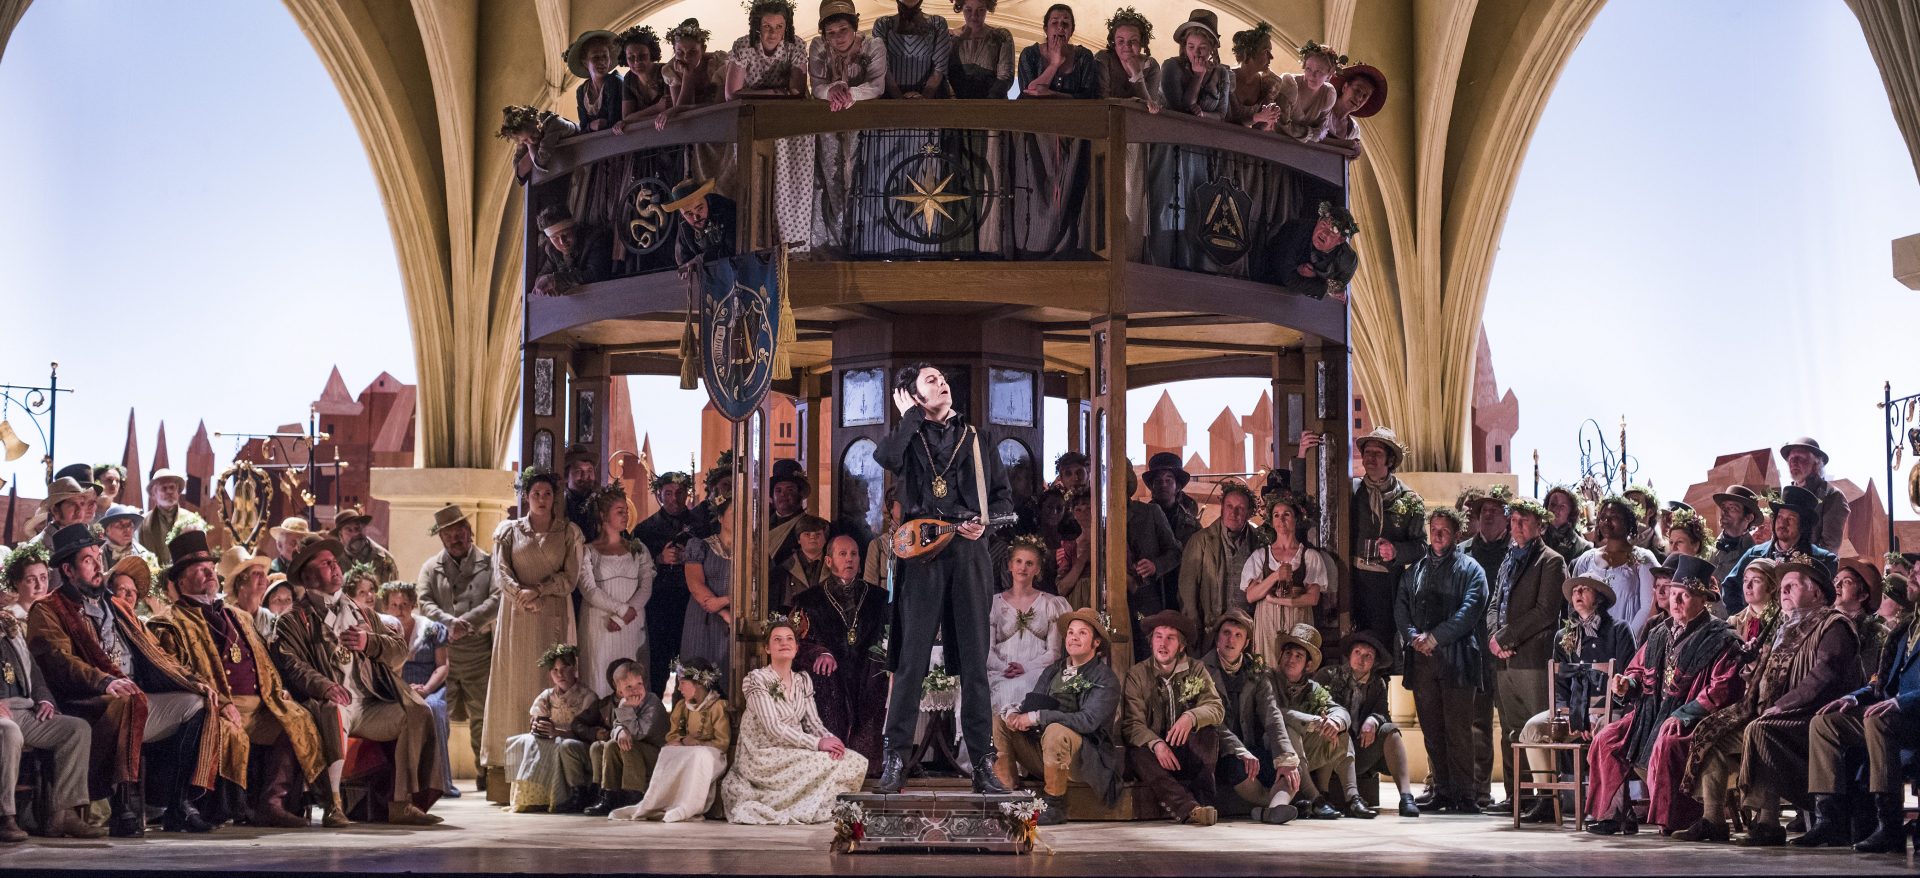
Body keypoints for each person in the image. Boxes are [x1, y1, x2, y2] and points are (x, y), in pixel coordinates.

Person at [871, 363, 1014, 794]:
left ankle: (983, 764)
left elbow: (1004, 500)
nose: (943, 384)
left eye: (943, 379)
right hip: (921, 554)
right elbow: (886, 458)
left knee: (974, 664)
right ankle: (895, 759)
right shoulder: (910, 438)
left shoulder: (977, 438)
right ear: (914, 396)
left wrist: (983, 525)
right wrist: (909, 418)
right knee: (910, 661)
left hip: (968, 554)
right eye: (931, 381)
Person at [27, 524, 216, 836]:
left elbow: (155, 652)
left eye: (98, 557)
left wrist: (193, 681)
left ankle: (177, 804)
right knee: (127, 702)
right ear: (68, 570)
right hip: (87, 701)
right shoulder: (48, 609)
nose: (97, 565)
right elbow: (58, 661)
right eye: (87, 560)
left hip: (133, 693)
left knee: (197, 704)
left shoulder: (115, 605)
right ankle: (123, 806)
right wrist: (104, 681)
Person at [1675, 555, 1860, 845]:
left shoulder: (1834, 625)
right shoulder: (1784, 628)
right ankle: (1713, 819)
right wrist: (1752, 670)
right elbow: (1768, 677)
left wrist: (1780, 707)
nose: (1783, 591)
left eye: (1792, 586)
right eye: (1782, 586)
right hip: (1770, 714)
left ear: (1816, 592)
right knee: (1712, 731)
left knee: (1761, 731)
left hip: (1809, 717)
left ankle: (1768, 823)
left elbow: (1824, 677)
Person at [148, 531, 325, 828]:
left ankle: (272, 803)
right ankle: (232, 807)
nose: (209, 574)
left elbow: (263, 659)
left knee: (297, 719)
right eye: (200, 570)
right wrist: (221, 702)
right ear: (181, 582)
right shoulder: (169, 623)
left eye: (210, 568)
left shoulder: (238, 616)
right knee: (232, 733)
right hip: (217, 706)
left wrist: (278, 689)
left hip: (260, 704)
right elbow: (175, 672)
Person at [272, 534, 444, 825]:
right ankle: (333, 805)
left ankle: (401, 803)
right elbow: (291, 664)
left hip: (368, 702)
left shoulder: (361, 612)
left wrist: (369, 642)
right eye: (326, 564)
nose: (335, 567)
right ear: (308, 576)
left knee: (417, 711)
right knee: (335, 712)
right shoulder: (293, 620)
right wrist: (325, 686)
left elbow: (399, 651)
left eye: (334, 562)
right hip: (327, 703)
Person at [1584, 559, 1741, 835]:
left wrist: (1684, 714)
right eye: (1673, 593)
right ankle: (1615, 814)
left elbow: (1722, 689)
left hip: (1693, 718)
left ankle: (1675, 819)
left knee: (1668, 741)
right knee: (1606, 738)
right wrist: (1627, 684)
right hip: (1651, 713)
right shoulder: (1659, 633)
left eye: (1685, 595)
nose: (1675, 601)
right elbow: (1637, 670)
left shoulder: (1721, 637)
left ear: (1703, 599)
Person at [1798, 569, 1918, 854]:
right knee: (1825, 721)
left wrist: (1901, 702)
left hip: (1912, 715)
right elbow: (1882, 681)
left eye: (1918, 574)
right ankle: (1829, 818)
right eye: (1912, 573)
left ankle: (1889, 825)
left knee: (1878, 719)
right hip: (1893, 714)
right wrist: (1853, 697)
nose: (1911, 578)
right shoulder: (1908, 628)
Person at [482, 467, 582, 777]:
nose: (541, 499)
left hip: (551, 614)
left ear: (555, 498)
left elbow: (570, 577)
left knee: (549, 678)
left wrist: (539, 589)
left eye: (547, 494)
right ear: (526, 496)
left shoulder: (567, 532)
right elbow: (500, 572)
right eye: (536, 493)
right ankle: (508, 762)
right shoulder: (509, 532)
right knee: (514, 681)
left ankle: (549, 764)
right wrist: (521, 594)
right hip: (517, 615)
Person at [1510, 575, 1636, 822]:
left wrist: (1595, 714)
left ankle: (1607, 807)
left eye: (1584, 589)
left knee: (1606, 731)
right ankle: (1546, 799)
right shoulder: (1563, 636)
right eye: (1575, 590)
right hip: (1573, 710)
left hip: (1610, 709)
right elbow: (1559, 685)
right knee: (1532, 729)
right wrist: (1564, 713)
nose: (1577, 594)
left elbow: (1625, 676)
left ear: (1598, 597)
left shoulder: (1619, 630)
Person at [721, 619, 867, 823]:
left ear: (797, 648)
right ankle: (792, 807)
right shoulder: (757, 680)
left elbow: (813, 723)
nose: (784, 643)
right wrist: (818, 744)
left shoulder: (802, 681)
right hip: (764, 754)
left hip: (794, 750)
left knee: (854, 760)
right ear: (767, 648)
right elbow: (773, 727)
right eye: (777, 639)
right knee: (825, 762)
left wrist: (831, 741)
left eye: (789, 639)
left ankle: (816, 809)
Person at [0, 551, 101, 841]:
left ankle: (62, 813)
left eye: (43, 578)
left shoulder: (7, 623)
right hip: (4, 715)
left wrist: (45, 700)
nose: (38, 584)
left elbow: (33, 669)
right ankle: (6, 816)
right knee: (9, 733)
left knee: (76, 729)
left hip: (24, 709)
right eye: (30, 579)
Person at [1394, 506, 1486, 813]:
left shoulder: (1471, 569)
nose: (1437, 535)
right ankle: (1442, 791)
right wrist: (1413, 637)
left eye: (1444, 530)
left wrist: (1434, 637)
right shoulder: (1416, 570)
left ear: (1457, 534)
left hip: (1457, 659)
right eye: (1433, 529)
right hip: (1423, 661)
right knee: (1431, 729)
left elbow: (1470, 611)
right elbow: (1401, 607)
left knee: (1458, 729)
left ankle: (1465, 794)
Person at [992, 608, 1120, 824]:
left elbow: (1087, 721)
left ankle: (1054, 805)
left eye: (1082, 633)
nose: (1074, 638)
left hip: (1084, 759)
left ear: (1096, 643)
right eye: (1071, 632)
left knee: (1056, 731)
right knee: (1000, 720)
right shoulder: (1053, 671)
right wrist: (1016, 714)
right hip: (1045, 753)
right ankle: (1006, 793)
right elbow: (1034, 704)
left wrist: (1038, 716)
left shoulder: (1105, 678)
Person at [1479, 498, 1566, 814]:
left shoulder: (1551, 561)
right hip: (1504, 658)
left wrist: (1505, 637)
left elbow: (1545, 611)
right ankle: (1517, 796)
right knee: (1511, 730)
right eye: (1513, 520)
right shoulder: (1508, 559)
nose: (1516, 526)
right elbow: (1494, 604)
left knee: (1537, 730)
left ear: (1540, 524)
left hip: (1532, 658)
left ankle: (1546, 798)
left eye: (1524, 520)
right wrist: (1494, 639)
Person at [414, 503, 496, 791]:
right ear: (441, 538)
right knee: (438, 715)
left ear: (469, 531)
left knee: (482, 716)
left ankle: (485, 772)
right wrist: (449, 623)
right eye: (447, 535)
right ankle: (436, 775)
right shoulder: (430, 567)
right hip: (442, 654)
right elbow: (424, 601)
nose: (454, 539)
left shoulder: (489, 563)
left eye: (459, 532)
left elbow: (497, 598)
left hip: (479, 651)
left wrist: (467, 622)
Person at [790, 535, 890, 771]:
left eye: (854, 554)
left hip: (867, 670)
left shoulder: (879, 598)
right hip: (831, 675)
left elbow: (890, 636)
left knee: (877, 678)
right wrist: (820, 653)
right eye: (843, 554)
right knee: (825, 678)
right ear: (829, 561)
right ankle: (831, 762)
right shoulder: (808, 600)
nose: (849, 559)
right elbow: (796, 642)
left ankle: (868, 765)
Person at [1120, 611, 1223, 826]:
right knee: (1137, 752)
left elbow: (1216, 708)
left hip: (1186, 750)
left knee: (1209, 733)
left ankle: (1204, 800)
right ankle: (1190, 809)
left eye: (1170, 638)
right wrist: (1156, 744)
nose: (1163, 643)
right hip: (1157, 756)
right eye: (1158, 636)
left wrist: (1191, 716)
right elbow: (1132, 724)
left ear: (1181, 646)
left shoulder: (1196, 669)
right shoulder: (1137, 674)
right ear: (1151, 641)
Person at [1201, 610, 1302, 824]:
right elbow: (1212, 720)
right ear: (1217, 638)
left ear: (1246, 643)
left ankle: (1272, 810)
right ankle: (1272, 805)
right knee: (1236, 767)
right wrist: (1239, 750)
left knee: (1291, 765)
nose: (1231, 640)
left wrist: (1285, 756)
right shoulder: (1202, 670)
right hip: (1222, 751)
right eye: (1226, 633)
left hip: (1251, 748)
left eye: (1238, 635)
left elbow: (1272, 714)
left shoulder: (1256, 671)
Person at [806, 0, 887, 252]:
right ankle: (833, 243)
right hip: (830, 124)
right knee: (831, 179)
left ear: (854, 26)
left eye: (843, 29)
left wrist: (850, 93)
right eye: (831, 32)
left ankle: (864, 241)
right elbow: (817, 85)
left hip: (864, 126)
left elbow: (876, 86)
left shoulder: (873, 46)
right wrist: (832, 90)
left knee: (861, 179)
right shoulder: (818, 47)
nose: (838, 37)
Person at [612, 656, 729, 823]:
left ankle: (687, 805)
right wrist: (683, 740)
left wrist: (699, 743)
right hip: (686, 750)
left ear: (698, 683)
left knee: (698, 755)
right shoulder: (681, 707)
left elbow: (722, 742)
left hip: (711, 754)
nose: (679, 688)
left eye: (683, 683)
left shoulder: (718, 707)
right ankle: (662, 803)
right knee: (668, 752)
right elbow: (672, 735)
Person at [1270, 623, 1367, 819]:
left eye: (1298, 656)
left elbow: (1339, 710)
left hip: (1301, 752)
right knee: (1290, 729)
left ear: (1307, 665)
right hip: (1270, 749)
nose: (1291, 659)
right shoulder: (1268, 680)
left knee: (1340, 732)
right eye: (1288, 653)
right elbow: (1277, 712)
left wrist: (1336, 722)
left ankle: (1353, 798)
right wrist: (1314, 721)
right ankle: (1315, 799)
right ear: (1280, 656)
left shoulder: (1311, 687)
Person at [1317, 631, 1418, 817]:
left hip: (1360, 750)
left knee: (1391, 731)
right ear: (1349, 655)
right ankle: (1321, 797)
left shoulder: (1378, 684)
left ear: (1375, 662)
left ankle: (1406, 797)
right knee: (1330, 728)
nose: (1361, 659)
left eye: (1368, 655)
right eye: (1357, 652)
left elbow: (1383, 713)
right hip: (1329, 751)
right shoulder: (1328, 675)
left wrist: (1374, 719)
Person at [579, 483, 657, 699]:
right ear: (603, 515)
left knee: (632, 674)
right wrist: (621, 609)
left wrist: (624, 617)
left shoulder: (638, 548)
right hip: (600, 622)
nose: (625, 515)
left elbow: (646, 586)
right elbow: (589, 589)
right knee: (598, 676)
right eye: (620, 511)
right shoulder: (588, 551)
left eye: (626, 511)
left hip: (631, 623)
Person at [379, 582, 456, 800]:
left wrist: (427, 689)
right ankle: (401, 782)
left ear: (413, 605)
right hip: (397, 686)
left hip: (428, 686)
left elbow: (442, 666)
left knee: (433, 708)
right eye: (394, 605)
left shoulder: (432, 629)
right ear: (386, 607)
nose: (399, 610)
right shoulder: (381, 630)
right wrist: (403, 688)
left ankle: (440, 783)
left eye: (404, 604)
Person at [632, 472, 704, 696]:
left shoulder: (701, 526)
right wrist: (659, 559)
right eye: (669, 493)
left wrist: (688, 559)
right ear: (659, 495)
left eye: (679, 493)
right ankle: (654, 710)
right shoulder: (645, 529)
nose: (674, 498)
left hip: (691, 602)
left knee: (690, 662)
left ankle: (686, 709)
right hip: (658, 604)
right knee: (658, 663)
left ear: (687, 494)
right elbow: (634, 567)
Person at [502, 645, 598, 812]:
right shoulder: (548, 695)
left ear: (574, 668)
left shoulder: (587, 697)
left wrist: (558, 732)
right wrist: (536, 725)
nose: (560, 674)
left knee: (564, 745)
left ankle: (574, 796)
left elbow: (589, 734)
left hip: (578, 745)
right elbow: (536, 715)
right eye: (555, 670)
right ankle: (534, 798)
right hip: (553, 739)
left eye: (564, 668)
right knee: (527, 740)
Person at [986, 536, 1071, 713]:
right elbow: (988, 650)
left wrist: (1026, 667)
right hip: (1001, 672)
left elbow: (1054, 652)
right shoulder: (994, 603)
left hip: (1035, 672)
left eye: (1029, 563)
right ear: (1010, 565)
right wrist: (1005, 668)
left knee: (1023, 686)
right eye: (1018, 561)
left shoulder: (1050, 603)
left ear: (1037, 569)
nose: (1023, 568)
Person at [1242, 489, 1329, 660]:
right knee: (1268, 664)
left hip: (1298, 620)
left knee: (1295, 662)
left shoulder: (1309, 556)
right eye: (1276, 515)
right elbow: (1251, 596)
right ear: (1271, 521)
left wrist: (1278, 600)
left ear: (1296, 518)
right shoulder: (1261, 555)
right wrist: (1275, 576)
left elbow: (1313, 598)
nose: (1281, 520)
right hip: (1268, 620)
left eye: (1286, 514)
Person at [1719, 486, 1839, 606]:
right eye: (1780, 516)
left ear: (1804, 525)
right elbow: (1730, 587)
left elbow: (1827, 599)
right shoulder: (1754, 554)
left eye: (1790, 518)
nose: (1783, 523)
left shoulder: (1824, 560)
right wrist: (1746, 615)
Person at [1176, 482, 1256, 649]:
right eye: (1229, 506)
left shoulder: (1258, 542)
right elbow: (1187, 590)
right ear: (1222, 507)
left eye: (1240, 508)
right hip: (1212, 630)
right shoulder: (1201, 541)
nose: (1233, 513)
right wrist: (1194, 629)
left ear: (1249, 513)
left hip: (1249, 630)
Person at [583, 659, 668, 816]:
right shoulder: (624, 703)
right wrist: (620, 730)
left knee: (627, 745)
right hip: (637, 748)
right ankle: (607, 795)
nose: (635, 690)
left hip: (657, 754)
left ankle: (633, 796)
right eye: (629, 687)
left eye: (639, 684)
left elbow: (639, 733)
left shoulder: (652, 702)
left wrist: (625, 711)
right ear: (620, 691)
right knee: (606, 745)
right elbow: (615, 727)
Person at [1571, 497, 1661, 642]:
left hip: (1629, 640)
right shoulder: (1586, 559)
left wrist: (1627, 639)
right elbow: (1575, 601)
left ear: (1628, 521)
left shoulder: (1643, 558)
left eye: (1614, 517)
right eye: (1602, 517)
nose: (1606, 521)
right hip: (1590, 642)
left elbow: (1648, 605)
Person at [681, 509, 736, 685]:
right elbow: (695, 584)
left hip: (736, 615)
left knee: (729, 673)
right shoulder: (700, 546)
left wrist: (726, 600)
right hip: (703, 617)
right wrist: (723, 613)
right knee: (699, 672)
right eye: (733, 513)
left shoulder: (751, 549)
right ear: (720, 517)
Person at [1266, 201, 1359, 301]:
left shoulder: (1348, 261)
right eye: (1323, 225)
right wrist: (1322, 286)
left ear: (1341, 240)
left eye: (1333, 232)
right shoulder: (1295, 230)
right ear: (1318, 221)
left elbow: (1337, 289)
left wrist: (1315, 276)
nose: (1324, 233)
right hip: (1268, 280)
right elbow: (1287, 276)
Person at [1780, 437, 1850, 553]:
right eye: (1791, 459)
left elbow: (1829, 547)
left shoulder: (1832, 495)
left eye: (1800, 458)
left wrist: (1796, 559)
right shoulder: (1786, 495)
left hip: (1811, 563)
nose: (1794, 462)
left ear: (1816, 463)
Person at [657, 18, 728, 131]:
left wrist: (677, 109)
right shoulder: (671, 70)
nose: (686, 57)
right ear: (674, 51)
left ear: (703, 49)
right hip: (691, 128)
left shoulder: (717, 63)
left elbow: (719, 104)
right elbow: (681, 113)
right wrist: (687, 75)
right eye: (680, 52)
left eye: (692, 52)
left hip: (719, 121)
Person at [1016, 4, 1097, 99]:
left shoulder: (1084, 56)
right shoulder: (1029, 54)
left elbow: (1088, 96)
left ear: (1072, 31)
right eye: (1054, 23)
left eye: (1065, 23)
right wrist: (1054, 64)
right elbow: (1027, 94)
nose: (1060, 27)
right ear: (1046, 29)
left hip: (1074, 109)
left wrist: (1053, 94)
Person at [531, 205, 613, 297]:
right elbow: (543, 274)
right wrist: (542, 283)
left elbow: (596, 274)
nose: (562, 241)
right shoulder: (552, 250)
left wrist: (556, 280)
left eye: (565, 234)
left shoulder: (595, 238)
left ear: (575, 228)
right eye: (555, 238)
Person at [874, 0, 949, 98]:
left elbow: (939, 68)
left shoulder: (937, 23)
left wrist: (924, 99)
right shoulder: (883, 24)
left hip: (930, 99)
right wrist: (899, 100)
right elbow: (882, 67)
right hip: (890, 100)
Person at [1160, 11, 1228, 119]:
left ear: (1211, 48)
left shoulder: (1221, 73)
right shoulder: (1171, 66)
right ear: (1185, 46)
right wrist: (1198, 76)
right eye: (1191, 47)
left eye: (1202, 47)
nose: (1196, 53)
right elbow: (1179, 111)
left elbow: (1221, 115)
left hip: (1204, 129)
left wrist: (1203, 114)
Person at [664, 177, 738, 270]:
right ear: (682, 215)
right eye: (689, 214)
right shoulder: (683, 222)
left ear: (706, 199)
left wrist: (702, 258)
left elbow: (732, 249)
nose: (696, 217)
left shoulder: (724, 208)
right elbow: (683, 261)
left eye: (700, 208)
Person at [1273, 40, 1341, 140]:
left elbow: (1320, 131)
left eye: (1319, 71)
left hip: (1300, 148)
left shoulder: (1328, 94)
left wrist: (1306, 134)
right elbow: (1280, 126)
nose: (1312, 75)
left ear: (1329, 74)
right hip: (1273, 140)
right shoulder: (1289, 84)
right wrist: (1309, 133)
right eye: (1308, 69)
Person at [1092, 7, 1159, 109]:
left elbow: (1151, 107)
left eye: (1133, 41)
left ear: (1142, 42)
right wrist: (1130, 102)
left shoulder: (1151, 66)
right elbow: (1100, 100)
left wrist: (1137, 75)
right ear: (1114, 43)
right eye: (1121, 41)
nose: (1127, 46)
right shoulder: (1104, 58)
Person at [1708, 485, 1763, 610]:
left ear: (1748, 517)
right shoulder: (1708, 550)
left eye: (1732, 508)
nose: (1724, 512)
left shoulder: (1755, 557)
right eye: (1723, 508)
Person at [1835, 559, 1888, 683]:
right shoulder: (1820, 623)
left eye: (1847, 582)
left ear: (1863, 595)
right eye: (1835, 580)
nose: (1837, 584)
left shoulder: (1879, 633)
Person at [946, 0, 1013, 98]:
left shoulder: (1001, 37)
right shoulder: (949, 38)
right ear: (961, 7)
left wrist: (987, 103)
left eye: (980, 10)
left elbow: (1005, 77)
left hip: (993, 104)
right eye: (968, 10)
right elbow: (942, 75)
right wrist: (953, 100)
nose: (974, 16)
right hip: (954, 104)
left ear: (987, 8)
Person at [498, 104, 579, 184]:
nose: (531, 140)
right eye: (525, 140)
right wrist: (523, 146)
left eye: (533, 132)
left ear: (536, 122)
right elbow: (519, 173)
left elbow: (540, 161)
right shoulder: (526, 139)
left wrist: (530, 146)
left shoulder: (553, 124)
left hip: (582, 150)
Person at [564, 29, 623, 132]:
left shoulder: (615, 82)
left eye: (605, 56)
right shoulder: (581, 91)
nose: (602, 61)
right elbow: (583, 127)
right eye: (596, 57)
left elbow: (614, 120)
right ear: (585, 62)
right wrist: (590, 126)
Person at [1227, 23, 1283, 129]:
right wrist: (1257, 117)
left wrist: (1270, 115)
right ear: (1249, 53)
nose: (1271, 57)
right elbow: (1223, 119)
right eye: (1266, 51)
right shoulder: (1226, 77)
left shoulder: (1267, 85)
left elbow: (1259, 128)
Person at [613, 26, 669, 132]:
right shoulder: (629, 79)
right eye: (631, 57)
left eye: (642, 56)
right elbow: (627, 118)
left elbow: (670, 107)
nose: (637, 61)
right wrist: (657, 108)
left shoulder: (665, 71)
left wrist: (636, 117)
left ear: (651, 54)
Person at [1320, 62, 1385, 152]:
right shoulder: (1321, 108)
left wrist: (1354, 151)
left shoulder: (1353, 129)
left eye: (1365, 96)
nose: (1359, 98)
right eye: (1357, 90)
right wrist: (1346, 144)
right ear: (1345, 87)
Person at [772, 515, 830, 609]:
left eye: (818, 534)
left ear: (825, 539)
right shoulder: (784, 569)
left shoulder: (835, 567)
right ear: (798, 539)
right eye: (807, 534)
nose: (812, 538)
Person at [332, 504, 398, 586]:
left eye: (358, 528)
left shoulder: (384, 559)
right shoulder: (334, 562)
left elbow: (392, 591)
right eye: (349, 530)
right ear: (340, 535)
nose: (355, 534)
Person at [219, 547, 276, 639]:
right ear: (240, 583)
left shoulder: (271, 619)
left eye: (263, 573)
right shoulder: (227, 617)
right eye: (256, 573)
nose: (264, 577)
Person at [138, 469, 188, 566]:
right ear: (154, 494)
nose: (169, 491)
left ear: (178, 492)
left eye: (172, 487)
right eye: (164, 488)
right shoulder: (142, 522)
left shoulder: (192, 519)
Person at [98, 504, 156, 575]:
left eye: (130, 525)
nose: (127, 529)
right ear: (107, 530)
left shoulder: (145, 555)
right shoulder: (98, 555)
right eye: (120, 525)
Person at [1540, 485, 1592, 565]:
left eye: (1562, 506)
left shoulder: (1583, 548)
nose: (1556, 509)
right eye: (1553, 504)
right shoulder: (1536, 539)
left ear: (1571, 512)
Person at [4, 543, 53, 621]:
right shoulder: (8, 618)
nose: (39, 586)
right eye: (31, 580)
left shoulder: (52, 611)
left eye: (43, 578)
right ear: (16, 583)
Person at [1621, 486, 1668, 559]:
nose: (1628, 508)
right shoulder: (1617, 539)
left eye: (1635, 503)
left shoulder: (1664, 546)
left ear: (1651, 512)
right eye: (1626, 503)